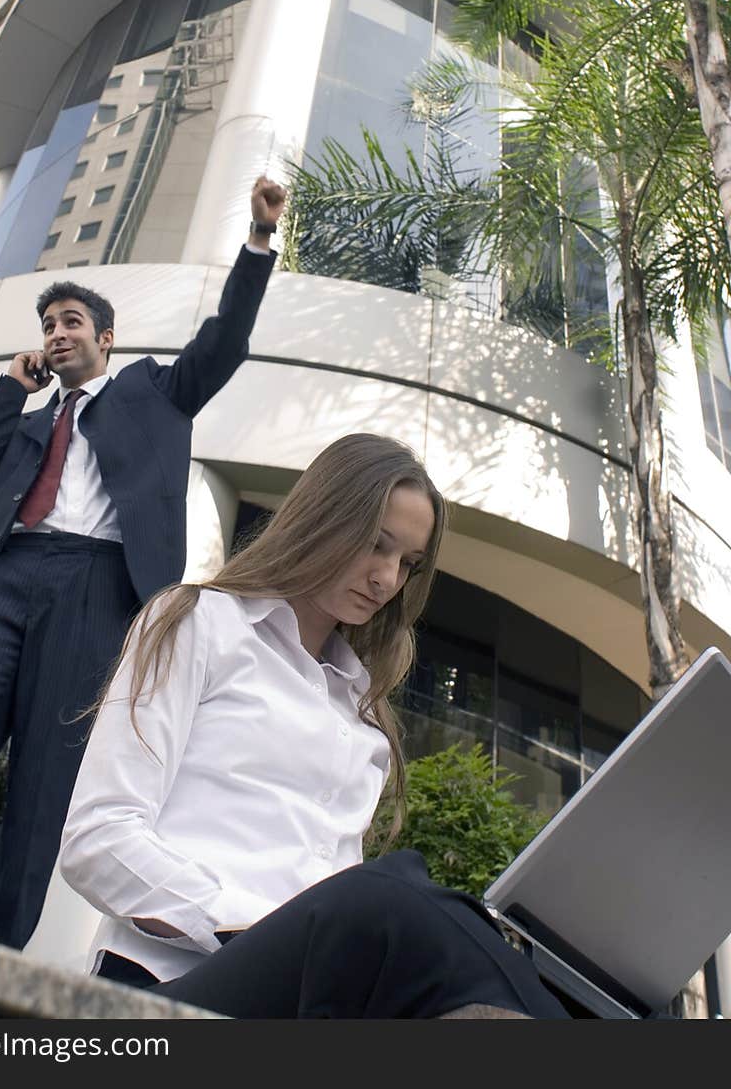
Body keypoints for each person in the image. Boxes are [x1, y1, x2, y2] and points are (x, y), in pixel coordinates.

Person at [0, 175, 287, 950]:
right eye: (48, 323)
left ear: (105, 338)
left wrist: (256, 244)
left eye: (71, 320)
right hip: (6, 582)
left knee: (45, 787)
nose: (57, 332)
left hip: (96, 588)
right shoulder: (32, 421)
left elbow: (223, 344)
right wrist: (8, 388)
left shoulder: (152, 392)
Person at [60, 434, 569, 1019]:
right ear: (323, 517)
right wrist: (251, 926)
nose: (386, 579)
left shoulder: (363, 716)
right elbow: (98, 838)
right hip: (167, 984)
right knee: (395, 892)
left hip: (312, 996)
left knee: (496, 961)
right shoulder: (200, 623)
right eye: (376, 545)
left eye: (407, 564)